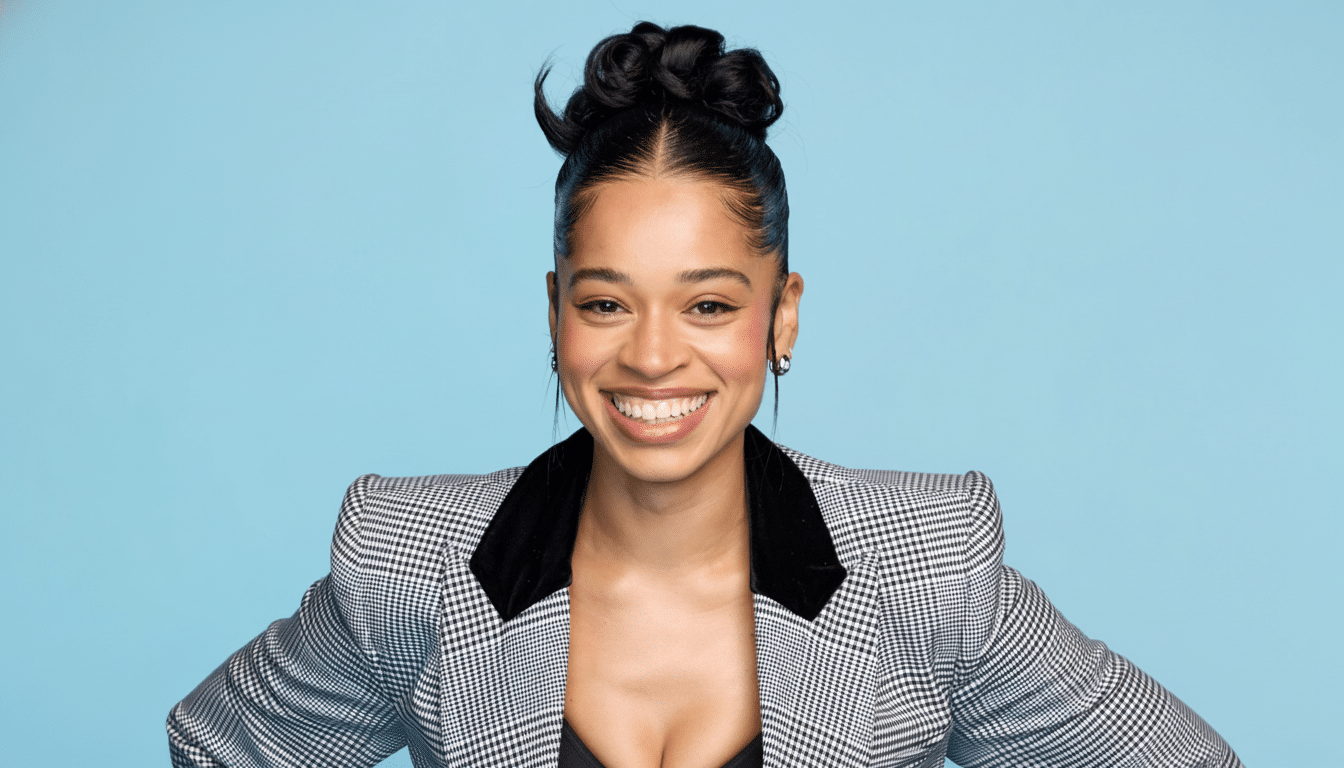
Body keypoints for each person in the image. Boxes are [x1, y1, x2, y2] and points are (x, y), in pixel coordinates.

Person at [167, 21, 1243, 768]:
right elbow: (216, 749)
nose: (651, 356)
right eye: (605, 304)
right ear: (554, 314)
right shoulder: (407, 561)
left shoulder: (927, 568)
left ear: (783, 316)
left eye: (711, 306)